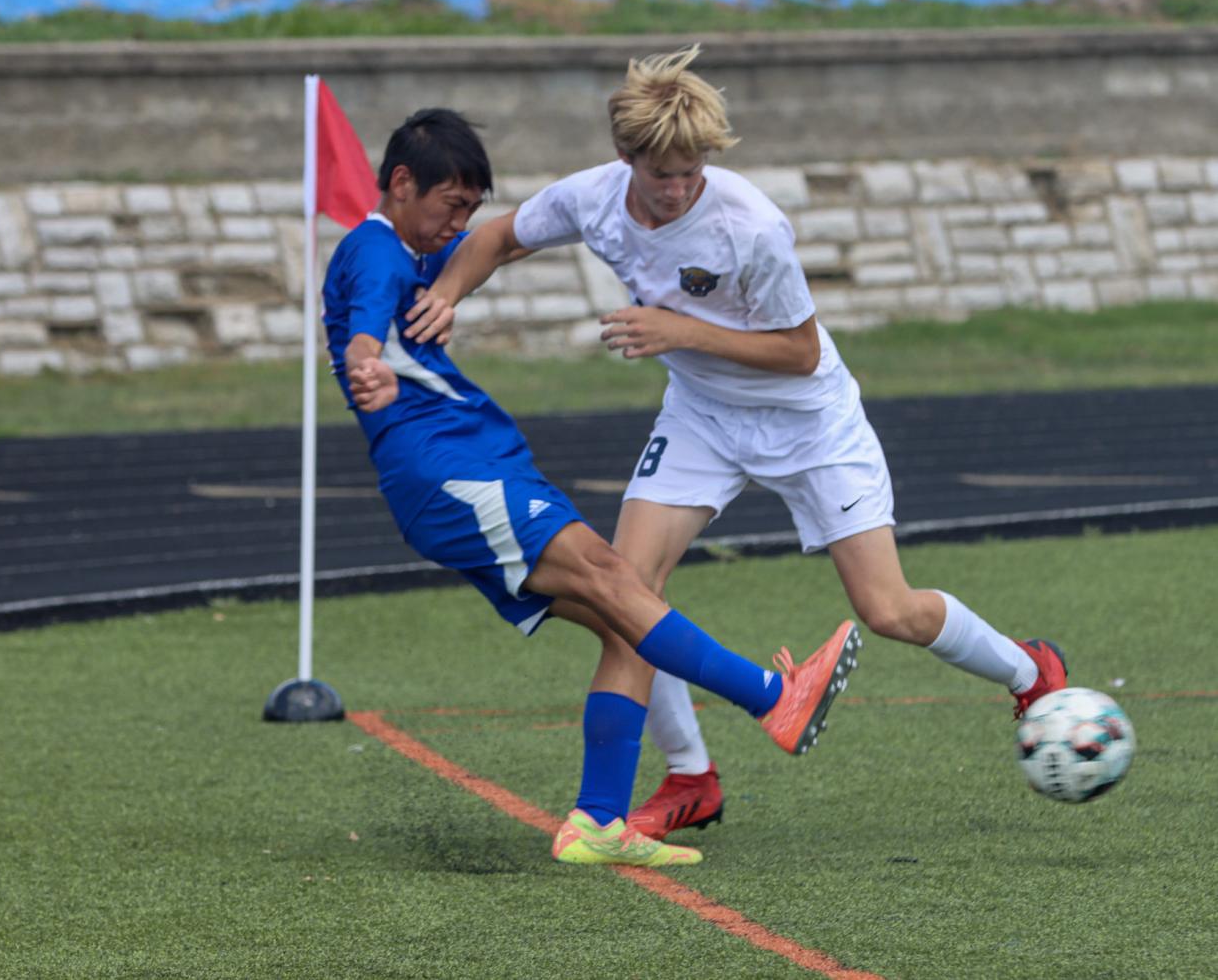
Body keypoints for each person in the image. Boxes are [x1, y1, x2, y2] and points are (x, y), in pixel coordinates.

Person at [404, 46, 1069, 843]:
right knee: (627, 593)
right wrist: (443, 294)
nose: (680, 187)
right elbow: (500, 238)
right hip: (702, 418)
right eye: (663, 175)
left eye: (692, 171)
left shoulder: (749, 226)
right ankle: (689, 779)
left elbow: (798, 350)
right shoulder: (594, 197)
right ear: (626, 161)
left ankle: (1032, 672)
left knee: (887, 609)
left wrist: (678, 329)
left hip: (810, 422)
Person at [325, 107, 862, 869]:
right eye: (450, 207)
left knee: (624, 622)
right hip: (447, 474)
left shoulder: (415, 249)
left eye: (469, 211)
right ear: (402, 184)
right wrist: (365, 359)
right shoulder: (374, 250)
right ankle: (773, 699)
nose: (458, 226)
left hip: (472, 461)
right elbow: (364, 324)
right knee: (617, 577)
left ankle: (597, 823)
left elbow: (492, 243)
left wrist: (452, 277)